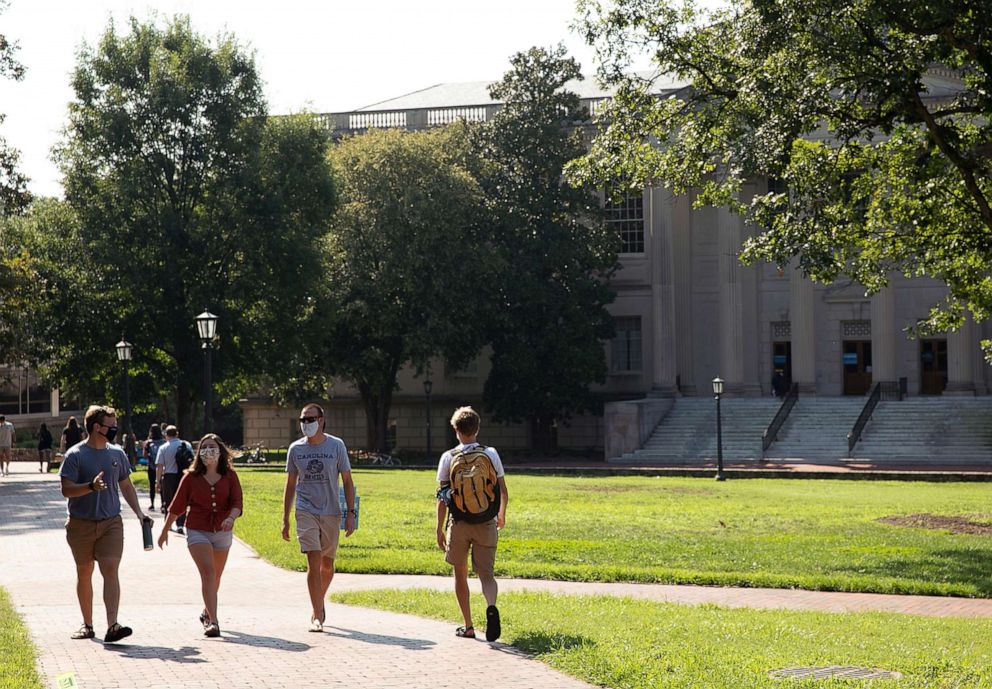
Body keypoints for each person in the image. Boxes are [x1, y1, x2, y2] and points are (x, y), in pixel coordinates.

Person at [59, 405, 150, 643]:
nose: (115, 430)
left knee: (110, 570)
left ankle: (113, 625)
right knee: (85, 572)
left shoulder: (116, 453)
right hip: (81, 524)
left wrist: (140, 513)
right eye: (111, 426)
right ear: (97, 427)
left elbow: (127, 486)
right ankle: (87, 625)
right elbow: (66, 490)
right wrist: (90, 487)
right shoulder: (75, 455)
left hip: (111, 523)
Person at [158, 433, 242, 638]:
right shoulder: (191, 477)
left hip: (222, 531)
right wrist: (164, 531)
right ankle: (213, 622)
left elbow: (237, 503)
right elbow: (177, 506)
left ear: (220, 451)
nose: (208, 451)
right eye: (204, 447)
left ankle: (207, 611)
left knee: (216, 576)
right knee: (208, 573)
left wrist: (231, 518)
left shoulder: (230, 475)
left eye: (212, 447)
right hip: (197, 529)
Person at [435, 406, 508, 642]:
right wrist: (501, 515)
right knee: (486, 574)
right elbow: (503, 490)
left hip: (460, 523)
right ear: (477, 428)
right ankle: (491, 606)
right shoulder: (491, 453)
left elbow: (443, 497)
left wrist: (439, 528)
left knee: (460, 574)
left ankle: (468, 626)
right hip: (486, 520)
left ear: (455, 430)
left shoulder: (448, 457)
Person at [281, 403, 355, 632]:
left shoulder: (336, 445)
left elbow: (348, 480)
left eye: (310, 419)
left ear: (321, 420)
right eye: (303, 420)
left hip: (331, 511)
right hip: (305, 510)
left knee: (327, 564)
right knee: (313, 560)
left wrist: (350, 513)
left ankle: (318, 603)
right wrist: (285, 518)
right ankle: (317, 616)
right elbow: (291, 483)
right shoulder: (295, 449)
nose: (306, 424)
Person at [156, 426, 191, 533]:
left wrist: (158, 481)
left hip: (169, 476)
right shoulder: (186, 445)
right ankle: (180, 524)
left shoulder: (163, 447)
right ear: (177, 434)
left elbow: (160, 466)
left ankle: (169, 523)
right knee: (183, 500)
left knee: (169, 500)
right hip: (183, 475)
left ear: (166, 435)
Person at [143, 424, 165, 511]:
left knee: (152, 486)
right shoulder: (164, 442)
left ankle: (152, 504)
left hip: (151, 466)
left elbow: (144, 456)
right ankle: (163, 503)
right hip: (162, 467)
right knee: (162, 485)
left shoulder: (148, 442)